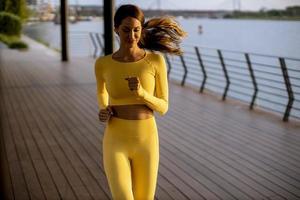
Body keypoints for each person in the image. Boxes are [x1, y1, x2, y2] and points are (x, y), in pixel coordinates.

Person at [94, 4, 186, 200]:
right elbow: (101, 92)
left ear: (141, 30)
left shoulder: (155, 61)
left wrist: (142, 94)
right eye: (126, 30)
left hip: (147, 141)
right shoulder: (103, 64)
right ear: (116, 29)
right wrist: (103, 109)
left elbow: (163, 107)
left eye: (136, 30)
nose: (132, 36)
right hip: (115, 140)